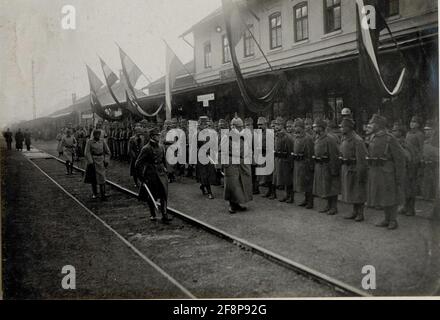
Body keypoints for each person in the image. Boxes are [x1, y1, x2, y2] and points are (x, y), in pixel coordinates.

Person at [366, 114, 405, 230]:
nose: (370, 125)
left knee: (390, 196)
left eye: (372, 123)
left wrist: (399, 175)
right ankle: (386, 218)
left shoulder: (390, 138)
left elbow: (400, 158)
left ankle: (393, 220)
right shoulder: (373, 137)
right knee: (382, 196)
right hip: (376, 170)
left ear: (378, 125)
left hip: (388, 171)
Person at [135, 127, 171, 223]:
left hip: (161, 174)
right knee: (152, 195)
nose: (158, 137)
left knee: (164, 194)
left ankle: (164, 214)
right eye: (156, 136)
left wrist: (166, 168)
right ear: (152, 137)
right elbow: (138, 163)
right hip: (151, 174)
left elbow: (163, 159)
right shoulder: (146, 148)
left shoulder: (161, 147)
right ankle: (152, 214)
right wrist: (141, 177)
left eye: (158, 135)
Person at [340, 118, 368, 222]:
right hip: (347, 168)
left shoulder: (358, 140)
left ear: (349, 128)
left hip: (355, 169)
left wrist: (361, 173)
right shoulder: (344, 138)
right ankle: (354, 211)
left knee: (358, 191)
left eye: (343, 126)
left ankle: (360, 213)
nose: (341, 128)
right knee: (351, 191)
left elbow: (361, 159)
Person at [222, 117, 253, 214]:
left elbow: (247, 148)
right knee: (232, 185)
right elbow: (222, 152)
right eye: (239, 127)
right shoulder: (226, 137)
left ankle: (237, 203)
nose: (241, 129)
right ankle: (231, 205)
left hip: (241, 164)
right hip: (231, 163)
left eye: (241, 127)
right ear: (233, 127)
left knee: (240, 184)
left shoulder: (242, 136)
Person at [312, 118, 341, 215]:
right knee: (325, 187)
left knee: (331, 187)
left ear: (321, 128)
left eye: (316, 126)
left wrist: (334, 169)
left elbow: (334, 155)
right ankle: (328, 205)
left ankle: (334, 207)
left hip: (328, 166)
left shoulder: (330, 139)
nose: (314, 128)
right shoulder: (317, 137)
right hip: (320, 166)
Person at [292, 119, 315, 209]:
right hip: (298, 163)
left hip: (305, 164)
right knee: (302, 184)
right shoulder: (297, 137)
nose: (295, 129)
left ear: (302, 128)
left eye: (297, 126)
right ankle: (306, 200)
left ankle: (310, 201)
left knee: (308, 183)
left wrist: (311, 165)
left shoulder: (308, 138)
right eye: (295, 126)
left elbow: (310, 153)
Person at [84, 130, 111, 201]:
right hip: (93, 161)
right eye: (96, 134)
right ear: (93, 135)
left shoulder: (102, 141)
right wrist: (90, 161)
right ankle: (95, 193)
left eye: (99, 134)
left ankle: (103, 193)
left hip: (101, 160)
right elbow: (87, 152)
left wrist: (106, 160)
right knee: (94, 178)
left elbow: (108, 152)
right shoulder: (90, 142)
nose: (98, 136)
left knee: (102, 177)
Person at [272, 117, 294, 202]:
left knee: (288, 179)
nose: (276, 126)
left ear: (282, 125)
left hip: (286, 161)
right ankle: (286, 195)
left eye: (278, 124)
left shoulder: (287, 137)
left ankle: (290, 196)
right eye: (276, 124)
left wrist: (291, 163)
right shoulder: (277, 135)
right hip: (279, 160)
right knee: (283, 179)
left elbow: (290, 150)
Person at [196, 116, 217, 199]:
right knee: (204, 174)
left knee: (209, 173)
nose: (205, 126)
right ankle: (209, 192)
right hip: (201, 156)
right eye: (203, 124)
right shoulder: (197, 134)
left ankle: (202, 185)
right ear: (200, 124)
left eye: (206, 124)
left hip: (209, 155)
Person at [421, 120, 439, 201]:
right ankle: (427, 197)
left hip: (435, 164)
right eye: (425, 130)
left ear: (433, 131)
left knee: (436, 182)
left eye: (428, 130)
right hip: (426, 164)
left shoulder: (436, 141)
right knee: (426, 182)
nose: (426, 132)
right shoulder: (424, 141)